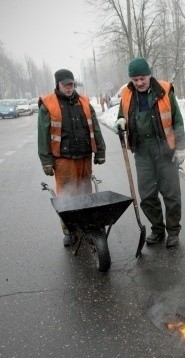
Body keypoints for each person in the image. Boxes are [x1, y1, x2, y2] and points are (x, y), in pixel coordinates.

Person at [114, 57, 185, 248]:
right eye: (135, 79)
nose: (139, 83)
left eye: (142, 78)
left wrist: (180, 148)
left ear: (149, 75)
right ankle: (157, 229)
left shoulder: (164, 90)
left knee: (170, 193)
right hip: (142, 151)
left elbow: (177, 121)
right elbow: (122, 115)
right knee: (147, 195)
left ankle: (173, 231)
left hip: (165, 150)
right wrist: (121, 121)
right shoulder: (127, 94)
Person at [37, 68, 107, 247]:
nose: (69, 88)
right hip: (63, 159)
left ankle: (87, 226)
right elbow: (43, 135)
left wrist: (100, 151)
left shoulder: (83, 101)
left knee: (85, 193)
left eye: (71, 84)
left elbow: (95, 128)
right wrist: (46, 161)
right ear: (58, 84)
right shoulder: (48, 104)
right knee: (67, 196)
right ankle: (69, 230)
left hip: (84, 155)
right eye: (65, 85)